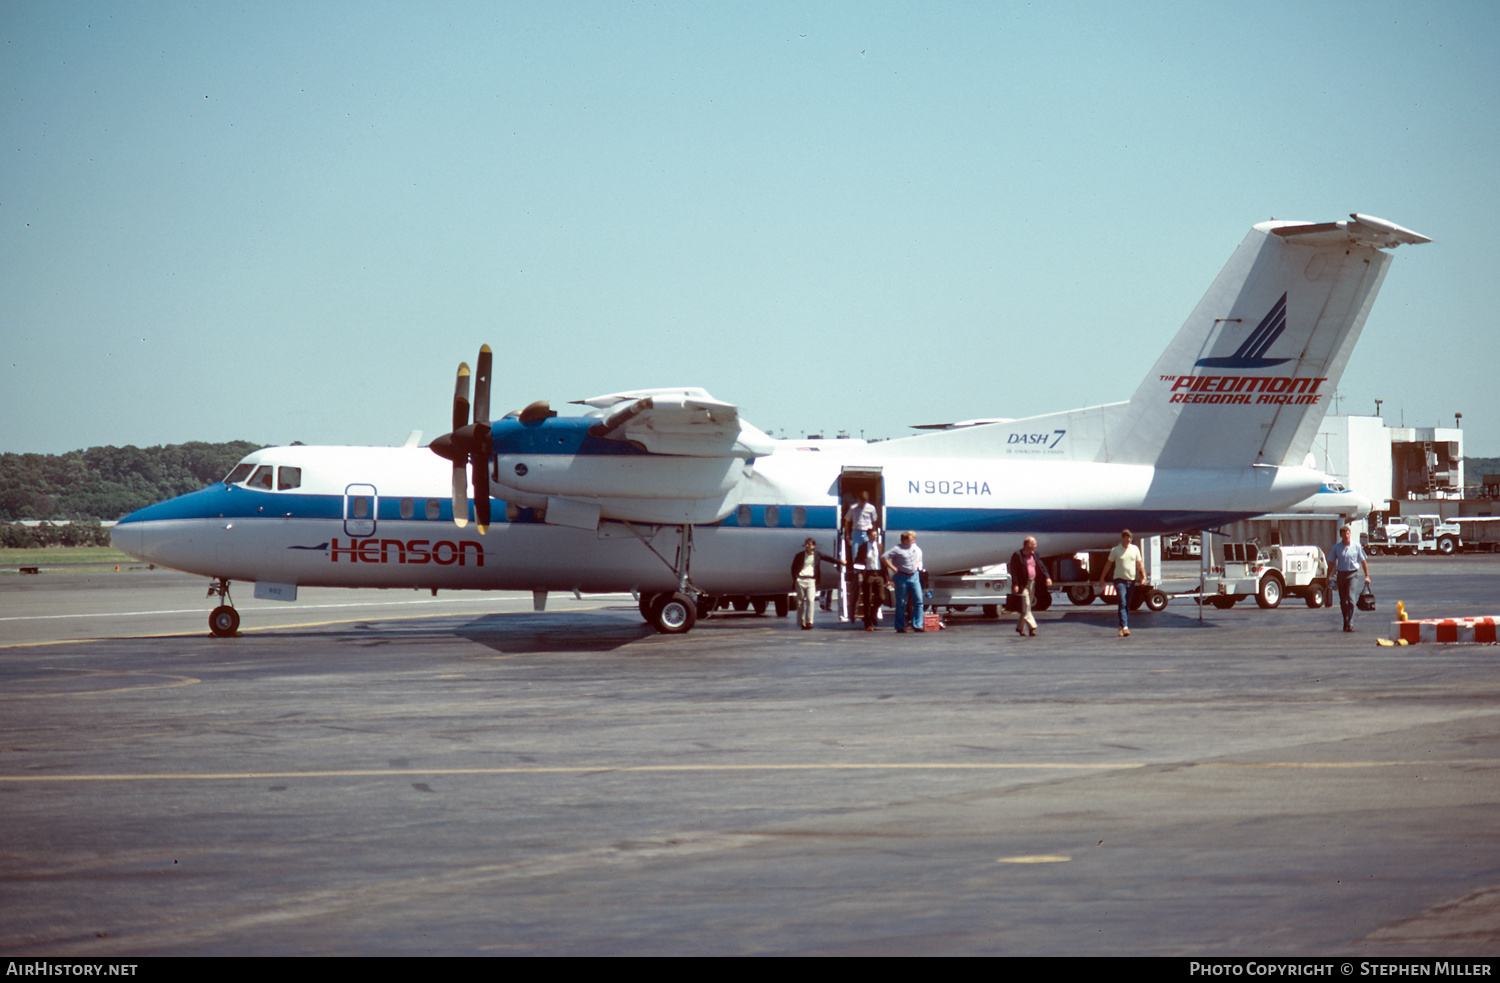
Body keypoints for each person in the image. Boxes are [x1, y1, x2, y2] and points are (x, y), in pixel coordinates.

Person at [1097, 529, 1146, 637]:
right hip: (1119, 580)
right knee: (1122, 602)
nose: (1129, 540)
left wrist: (1143, 576)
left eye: (1130, 538)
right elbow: (1108, 565)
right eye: (1127, 537)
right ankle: (1125, 627)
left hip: (1131, 581)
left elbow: (1139, 564)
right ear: (1122, 538)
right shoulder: (1116, 550)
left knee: (1127, 605)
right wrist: (1102, 578)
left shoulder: (1135, 549)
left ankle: (1121, 626)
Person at [790, 537, 842, 630]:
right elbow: (793, 568)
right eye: (806, 544)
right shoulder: (799, 555)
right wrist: (796, 579)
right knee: (800, 602)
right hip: (801, 580)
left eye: (809, 544)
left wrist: (840, 562)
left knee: (810, 600)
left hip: (811, 580)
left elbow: (828, 558)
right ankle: (802, 622)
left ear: (813, 546)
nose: (807, 546)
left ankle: (809, 622)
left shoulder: (817, 554)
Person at [1328, 524, 1372, 632]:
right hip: (1341, 574)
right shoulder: (1336, 548)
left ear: (1350, 534)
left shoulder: (1356, 546)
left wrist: (1367, 575)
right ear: (1341, 535)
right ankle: (1345, 620)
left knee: (1351, 598)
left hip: (1353, 574)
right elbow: (1331, 562)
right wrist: (1328, 576)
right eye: (1344, 534)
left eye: (1348, 533)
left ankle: (1350, 623)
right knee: (1343, 600)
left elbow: (1363, 561)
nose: (1346, 536)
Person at [1007, 536, 1052, 637]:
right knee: (1026, 605)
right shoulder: (1017, 555)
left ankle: (1020, 628)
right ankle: (1032, 626)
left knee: (1026, 608)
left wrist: (1047, 577)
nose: (1036, 546)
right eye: (1034, 544)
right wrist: (1015, 584)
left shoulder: (1035, 554)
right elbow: (1014, 572)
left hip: (1032, 582)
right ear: (1028, 545)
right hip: (1023, 584)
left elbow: (1041, 566)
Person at [883, 530, 925, 633]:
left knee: (919, 600)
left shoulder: (914, 548)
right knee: (901, 602)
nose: (914, 540)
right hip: (902, 576)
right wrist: (893, 568)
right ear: (905, 540)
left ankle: (918, 624)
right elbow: (884, 557)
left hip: (914, 575)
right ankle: (900, 626)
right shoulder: (897, 549)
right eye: (912, 539)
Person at [853, 529, 887, 631]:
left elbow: (883, 561)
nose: (874, 537)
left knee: (881, 597)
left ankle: (873, 613)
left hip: (879, 573)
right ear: (868, 536)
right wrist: (861, 570)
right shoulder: (863, 547)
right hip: (868, 574)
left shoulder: (880, 546)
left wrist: (887, 578)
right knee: (867, 599)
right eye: (872, 535)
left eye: (876, 535)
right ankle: (867, 622)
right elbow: (857, 561)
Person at [845, 492, 878, 562]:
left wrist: (874, 531)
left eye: (864, 502)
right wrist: (847, 534)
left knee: (868, 553)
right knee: (855, 553)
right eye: (861, 501)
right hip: (856, 533)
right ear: (858, 500)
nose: (862, 504)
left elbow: (874, 521)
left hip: (868, 533)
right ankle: (856, 571)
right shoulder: (852, 508)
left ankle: (867, 571)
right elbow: (847, 521)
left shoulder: (871, 508)